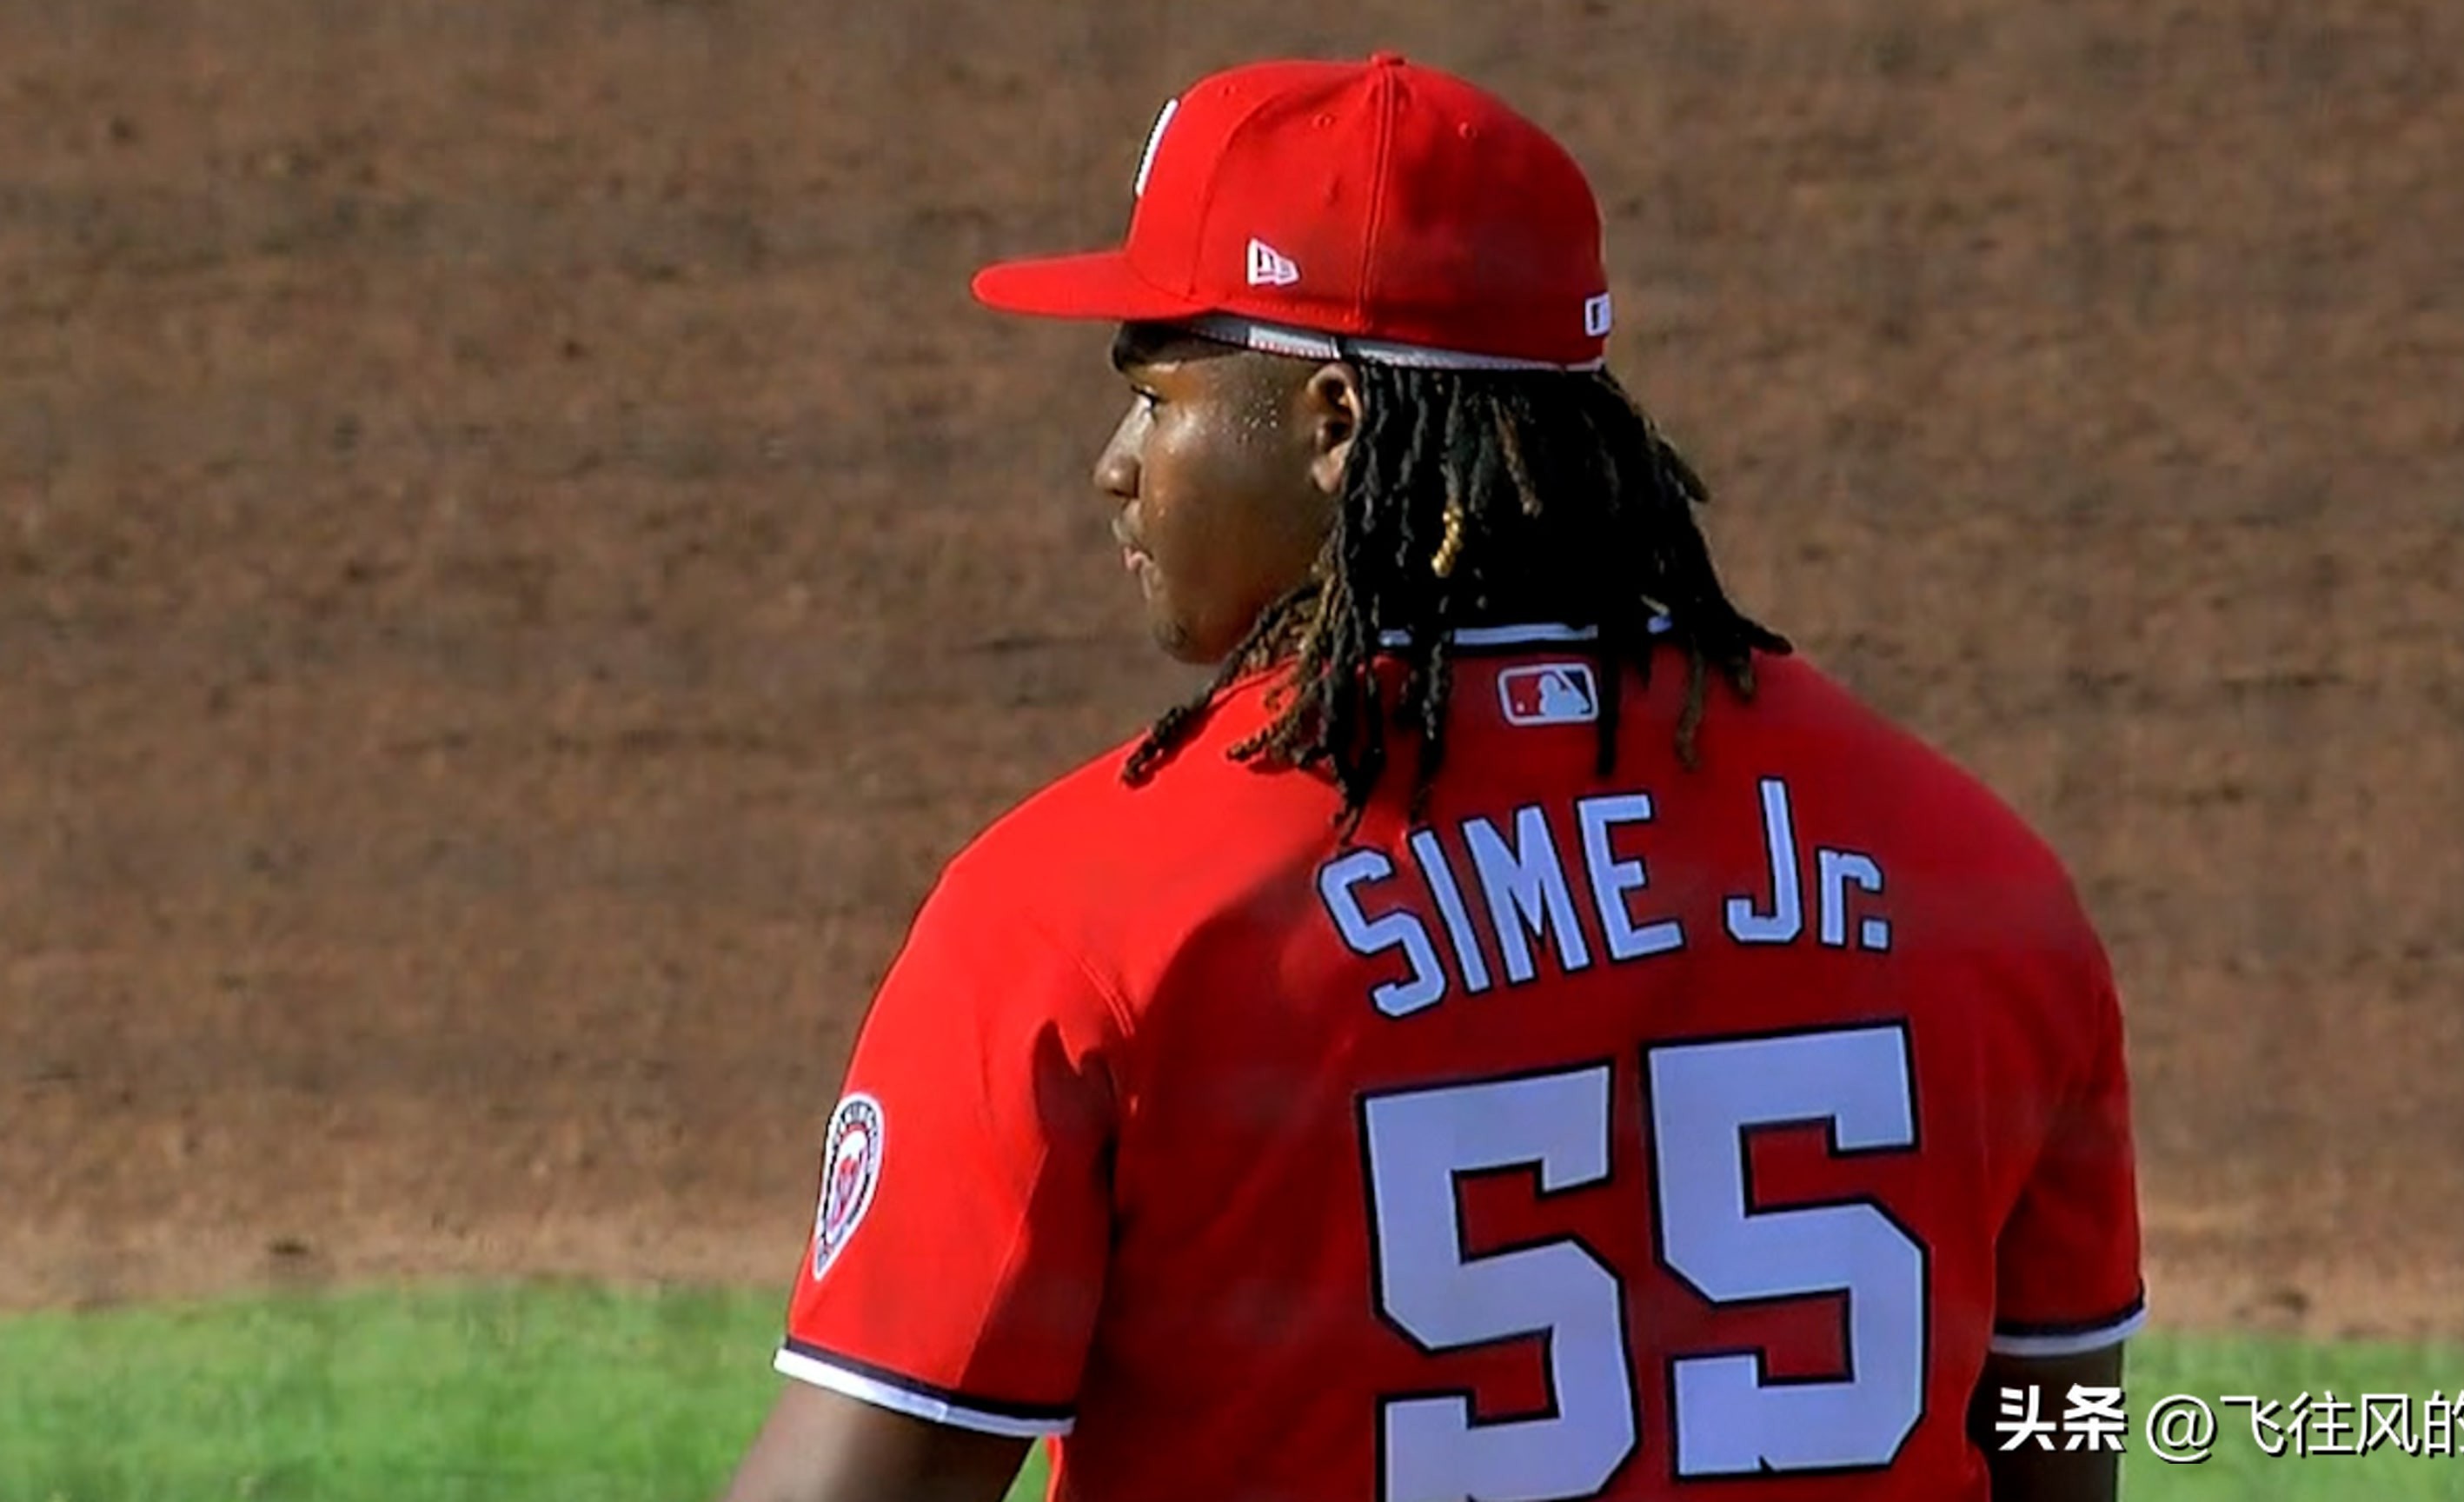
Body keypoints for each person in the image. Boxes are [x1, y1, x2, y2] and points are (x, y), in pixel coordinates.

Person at [717, 51, 2143, 1502]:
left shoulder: (1088, 918)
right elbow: (2059, 1455)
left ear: (1334, 425)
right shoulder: (1983, 886)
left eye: (1157, 394)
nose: (1117, 464)